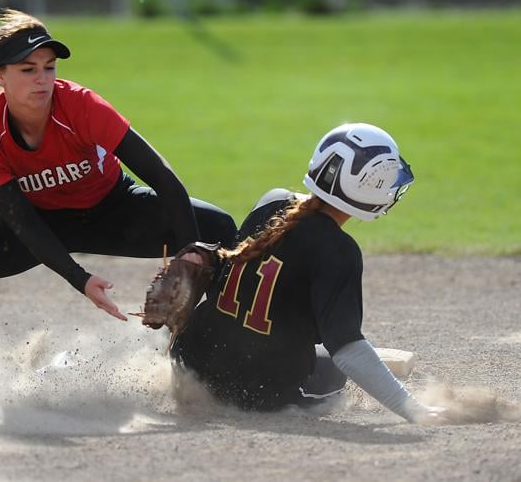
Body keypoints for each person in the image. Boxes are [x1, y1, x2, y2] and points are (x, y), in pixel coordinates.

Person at [0, 9, 236, 391]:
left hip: (115, 210)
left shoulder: (81, 106)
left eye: (48, 67)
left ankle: (221, 353)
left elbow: (163, 179)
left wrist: (188, 252)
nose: (42, 79)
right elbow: (24, 224)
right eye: (27, 69)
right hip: (40, 220)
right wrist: (78, 278)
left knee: (218, 229)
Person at [170, 122, 446, 423]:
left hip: (190, 360)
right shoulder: (341, 250)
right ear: (370, 188)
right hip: (255, 390)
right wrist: (413, 409)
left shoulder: (271, 201)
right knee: (336, 371)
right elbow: (348, 351)